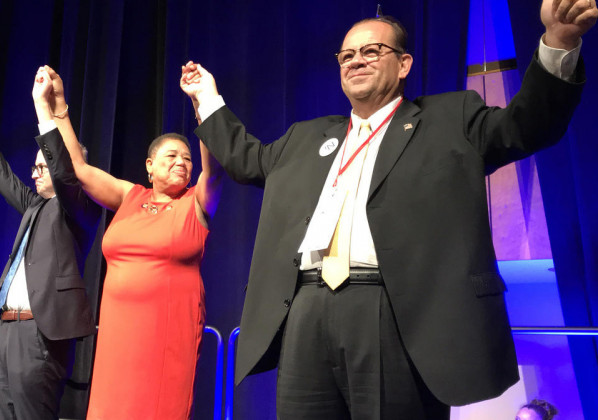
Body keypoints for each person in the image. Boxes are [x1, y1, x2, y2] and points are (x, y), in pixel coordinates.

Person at [180, 0, 595, 419]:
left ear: (404, 64)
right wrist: (207, 97)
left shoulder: (452, 119)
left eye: (372, 51)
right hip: (305, 308)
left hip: (394, 309)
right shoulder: (305, 138)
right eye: (347, 55)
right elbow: (245, 159)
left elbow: (526, 126)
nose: (356, 60)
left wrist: (559, 40)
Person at [35, 65, 223, 419]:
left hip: (168, 332)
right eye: (172, 156)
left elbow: (216, 169)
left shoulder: (195, 203)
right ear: (150, 166)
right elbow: (78, 167)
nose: (182, 162)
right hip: (119, 333)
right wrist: (58, 105)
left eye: (186, 158)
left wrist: (202, 104)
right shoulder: (130, 196)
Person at [0, 75, 102, 419]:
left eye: (44, 165)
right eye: (35, 165)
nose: (36, 172)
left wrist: (44, 109)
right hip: (8, 328)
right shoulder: (35, 205)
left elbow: (66, 175)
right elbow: (0, 175)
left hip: (42, 330)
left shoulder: (80, 206)